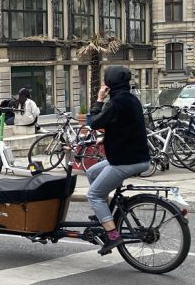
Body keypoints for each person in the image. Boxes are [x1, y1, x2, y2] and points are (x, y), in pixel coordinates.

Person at [84, 66, 151, 255]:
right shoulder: (132, 100)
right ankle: (104, 214)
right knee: (92, 172)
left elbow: (93, 123)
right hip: (137, 156)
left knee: (93, 194)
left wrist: (98, 100)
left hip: (124, 161)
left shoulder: (114, 103)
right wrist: (107, 138)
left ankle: (113, 236)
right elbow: (127, 127)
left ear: (110, 83)